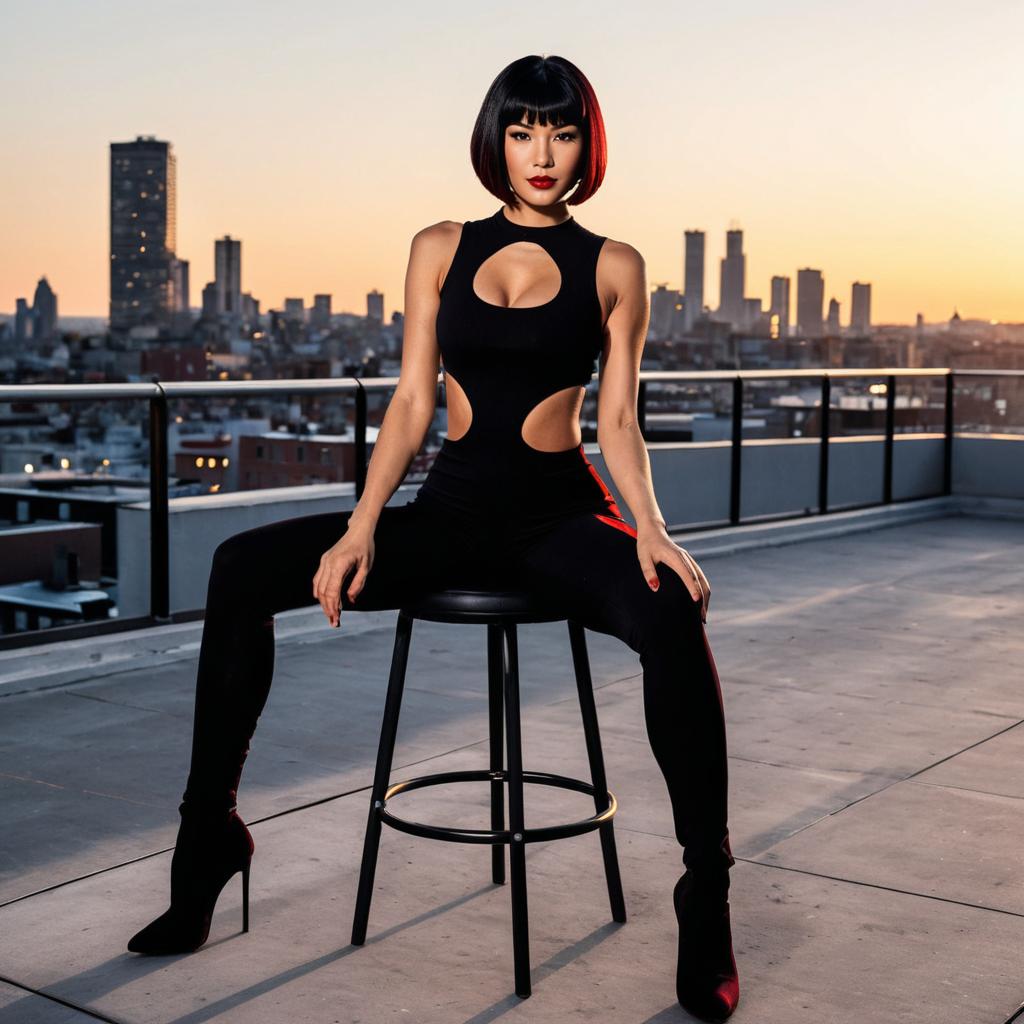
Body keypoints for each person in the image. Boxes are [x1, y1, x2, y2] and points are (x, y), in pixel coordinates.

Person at [126, 53, 739, 1023]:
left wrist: (653, 531)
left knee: (672, 616)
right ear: (496, 137)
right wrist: (363, 525)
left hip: (562, 517)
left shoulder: (614, 265)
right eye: (524, 128)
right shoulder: (439, 245)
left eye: (562, 130)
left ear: (587, 143)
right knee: (238, 567)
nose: (542, 152)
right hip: (446, 515)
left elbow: (617, 420)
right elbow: (412, 399)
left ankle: (706, 894)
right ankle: (208, 839)